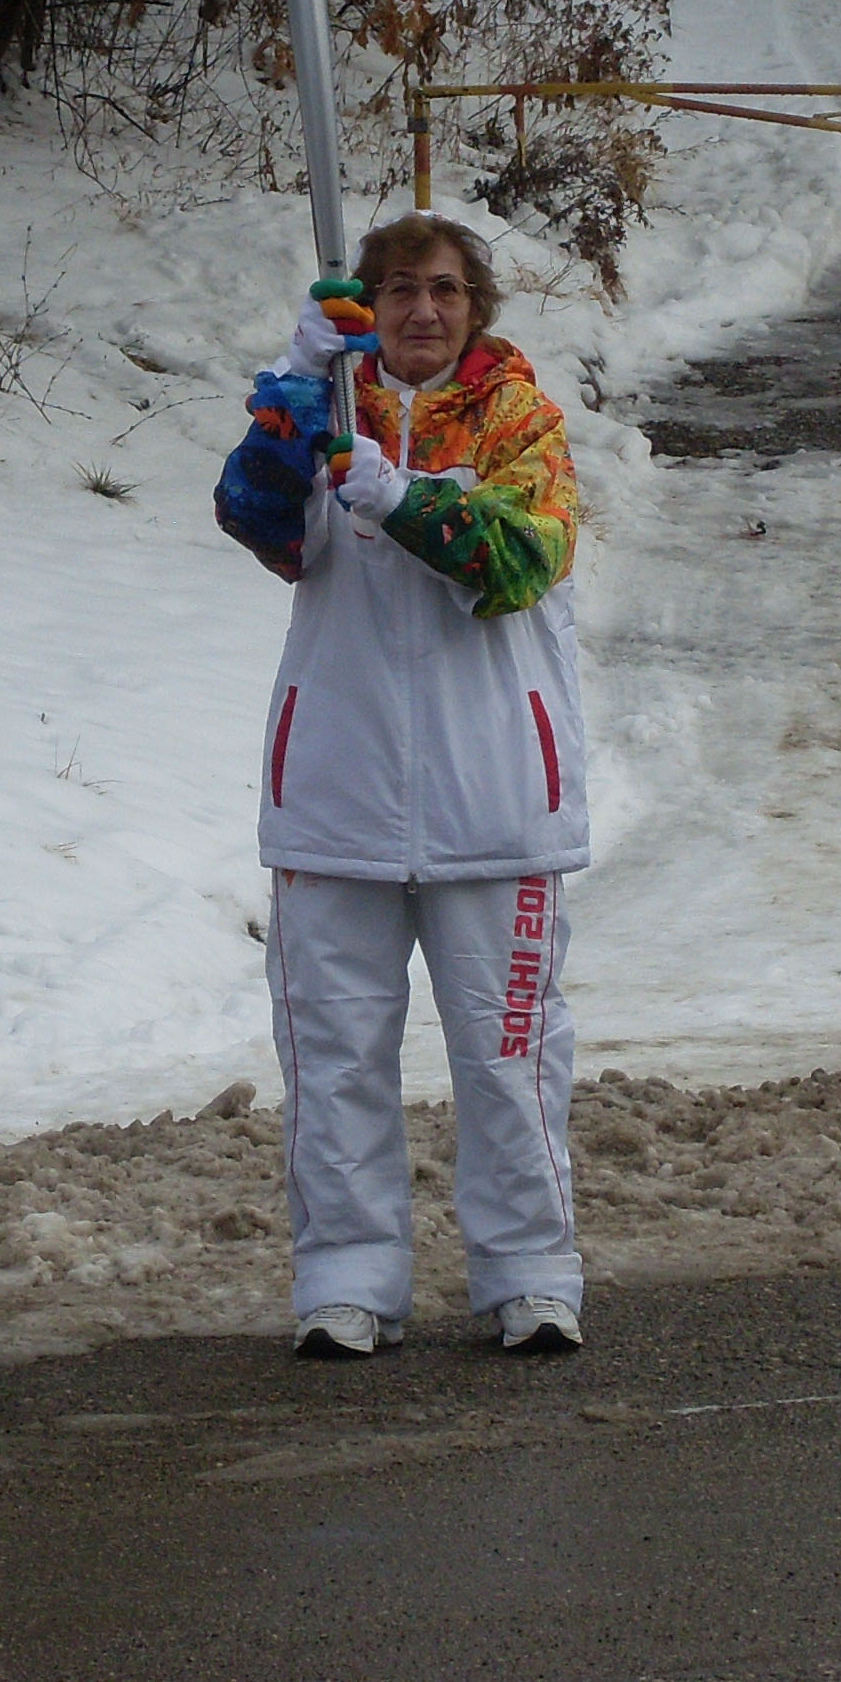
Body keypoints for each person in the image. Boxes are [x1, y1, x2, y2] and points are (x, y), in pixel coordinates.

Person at [215, 212, 591, 1358]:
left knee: (508, 1052)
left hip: (493, 801)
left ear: (475, 305)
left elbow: (526, 557)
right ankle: (345, 1277)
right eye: (396, 290)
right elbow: (253, 515)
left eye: (443, 289)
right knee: (331, 1054)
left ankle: (529, 1274)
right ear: (366, 306)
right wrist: (290, 387)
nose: (421, 309)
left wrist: (402, 497)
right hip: (337, 792)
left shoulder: (523, 421)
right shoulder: (324, 406)